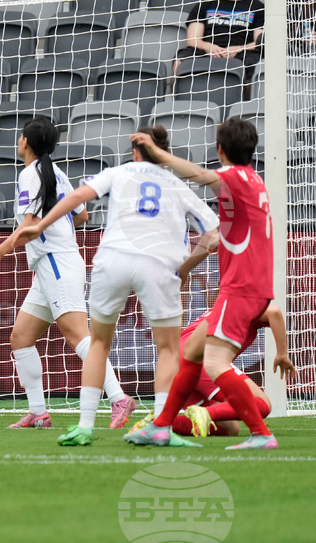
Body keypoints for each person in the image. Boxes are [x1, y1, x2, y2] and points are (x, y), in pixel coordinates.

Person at [18, 126, 221, 447]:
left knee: (97, 342)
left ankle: (85, 426)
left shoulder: (118, 172)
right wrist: (185, 267)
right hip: (158, 264)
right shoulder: (177, 185)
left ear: (137, 152)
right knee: (168, 348)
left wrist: (41, 224)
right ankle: (159, 426)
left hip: (112, 262)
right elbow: (213, 235)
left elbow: (78, 199)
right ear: (164, 154)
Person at [124, 118, 294, 450]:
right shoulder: (256, 180)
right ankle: (160, 426)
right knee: (191, 353)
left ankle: (261, 434)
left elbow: (199, 176)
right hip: (253, 286)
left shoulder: (232, 178)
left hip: (240, 287)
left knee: (214, 364)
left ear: (220, 149)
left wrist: (156, 152)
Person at [0, 116, 136, 430]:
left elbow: (27, 225)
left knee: (77, 334)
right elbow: (82, 215)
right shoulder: (56, 172)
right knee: (21, 338)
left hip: (55, 262)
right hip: (52, 264)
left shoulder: (30, 174)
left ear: (24, 141)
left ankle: (118, 396)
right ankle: (38, 412)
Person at [135, 304, 292, 439]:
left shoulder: (217, 309)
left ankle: (158, 423)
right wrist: (282, 354)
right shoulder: (243, 301)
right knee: (262, 404)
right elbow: (274, 312)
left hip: (180, 361)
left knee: (230, 428)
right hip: (201, 359)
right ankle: (204, 413)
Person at [173, 0, 265, 95]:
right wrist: (208, 47)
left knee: (255, 61)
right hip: (208, 51)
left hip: (242, 54)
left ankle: (244, 105)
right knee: (180, 59)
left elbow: (259, 42)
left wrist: (239, 48)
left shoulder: (257, 7)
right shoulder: (204, 5)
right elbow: (192, 40)